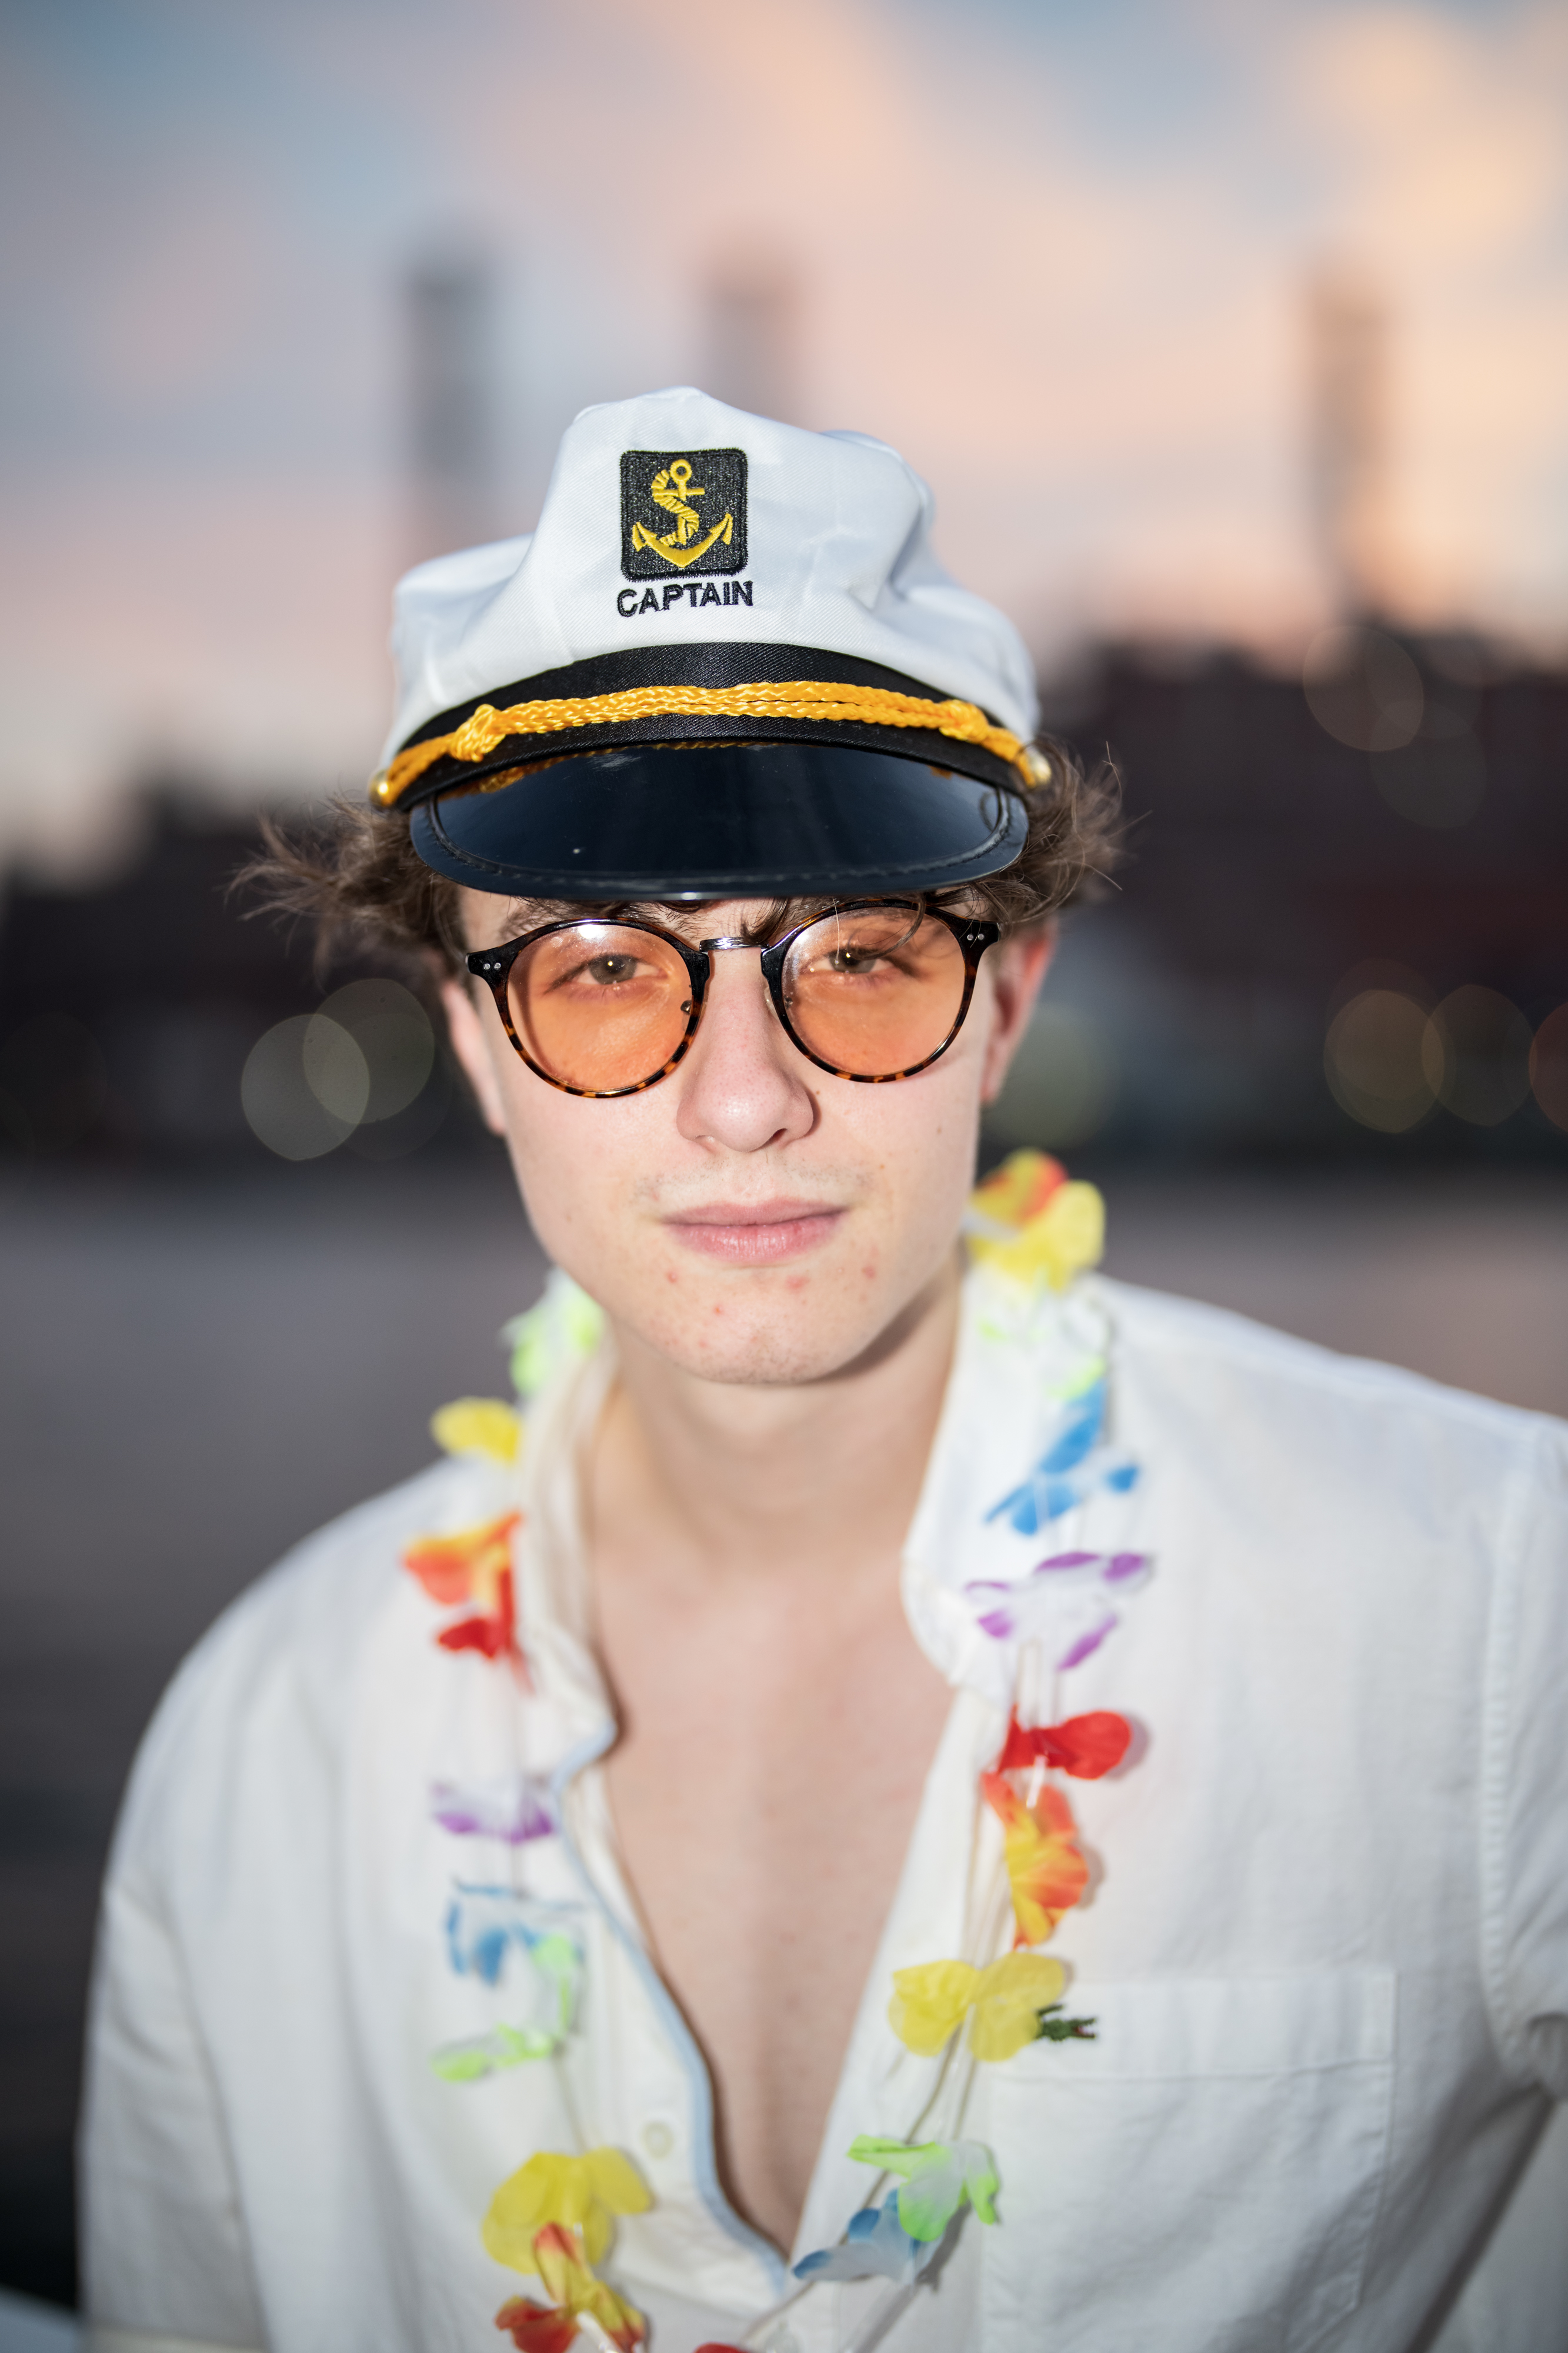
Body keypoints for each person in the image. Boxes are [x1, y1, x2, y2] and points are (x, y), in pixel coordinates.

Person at [82, 389, 1567, 2353]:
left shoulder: (1491, 1609)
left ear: (1003, 1004)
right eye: (603, 968)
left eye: (857, 957)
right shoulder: (261, 1752)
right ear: (470, 1037)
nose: (744, 1100)